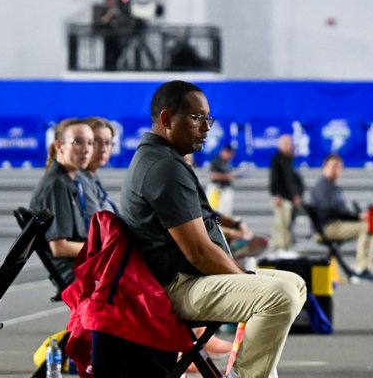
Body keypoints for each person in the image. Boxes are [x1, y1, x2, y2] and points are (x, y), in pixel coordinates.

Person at [119, 81, 305, 378]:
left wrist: (243, 276)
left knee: (294, 283)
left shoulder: (165, 160)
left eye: (208, 119)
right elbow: (199, 251)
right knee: (279, 295)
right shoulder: (163, 167)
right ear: (167, 119)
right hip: (175, 287)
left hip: (188, 279)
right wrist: (244, 278)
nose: (206, 127)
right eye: (197, 118)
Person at [29, 118, 94, 287]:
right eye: (78, 142)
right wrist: (103, 251)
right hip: (76, 272)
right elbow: (60, 248)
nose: (86, 149)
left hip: (86, 265)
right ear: (59, 146)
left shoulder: (71, 180)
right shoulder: (56, 185)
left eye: (90, 142)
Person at [309, 154, 373, 282]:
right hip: (326, 227)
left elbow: (340, 211)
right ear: (324, 167)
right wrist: (357, 217)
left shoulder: (333, 187)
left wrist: (357, 217)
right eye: (333, 166)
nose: (336, 169)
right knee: (367, 227)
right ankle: (361, 268)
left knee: (368, 225)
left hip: (333, 224)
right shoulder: (322, 187)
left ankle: (361, 267)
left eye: (339, 167)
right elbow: (331, 212)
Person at [268, 134, 303, 254]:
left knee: (287, 224)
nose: (289, 146)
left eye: (290, 143)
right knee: (280, 224)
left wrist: (296, 195)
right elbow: (274, 179)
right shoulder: (277, 159)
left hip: (289, 198)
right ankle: (279, 248)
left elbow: (291, 181)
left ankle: (286, 247)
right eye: (286, 143)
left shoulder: (289, 160)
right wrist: (276, 194)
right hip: (282, 197)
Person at [80, 116, 119, 215]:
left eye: (108, 142)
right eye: (96, 141)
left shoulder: (92, 177)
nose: (103, 149)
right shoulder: (78, 180)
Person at [208, 143, 237, 217]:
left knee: (226, 213)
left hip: (226, 189)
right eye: (230, 154)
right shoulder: (216, 161)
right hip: (216, 189)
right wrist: (227, 176)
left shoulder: (227, 163)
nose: (231, 157)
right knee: (214, 211)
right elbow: (213, 176)